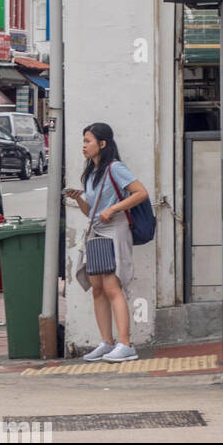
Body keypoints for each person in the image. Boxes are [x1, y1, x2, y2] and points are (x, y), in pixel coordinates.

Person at [65, 123, 149, 363]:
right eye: (83, 141)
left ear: (103, 144)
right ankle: (107, 342)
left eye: (88, 141)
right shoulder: (92, 172)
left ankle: (125, 344)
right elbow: (92, 211)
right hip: (97, 232)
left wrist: (114, 208)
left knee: (113, 287)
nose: (84, 146)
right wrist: (80, 198)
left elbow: (140, 193)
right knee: (98, 289)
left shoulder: (115, 168)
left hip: (114, 231)